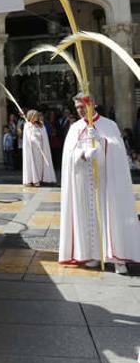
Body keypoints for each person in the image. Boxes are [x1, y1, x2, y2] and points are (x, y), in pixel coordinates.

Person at [59, 93, 140, 272]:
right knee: (88, 218)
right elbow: (68, 156)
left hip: (107, 183)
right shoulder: (75, 128)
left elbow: (119, 150)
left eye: (82, 106)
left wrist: (102, 142)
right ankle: (94, 254)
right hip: (83, 183)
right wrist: (82, 154)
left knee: (112, 216)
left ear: (92, 104)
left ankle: (117, 258)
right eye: (77, 108)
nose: (80, 111)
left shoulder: (109, 125)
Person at [22, 110, 56, 186]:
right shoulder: (27, 125)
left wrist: (40, 141)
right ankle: (33, 180)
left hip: (40, 148)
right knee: (33, 164)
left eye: (37, 116)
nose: (36, 117)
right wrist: (34, 139)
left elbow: (43, 135)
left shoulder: (41, 125)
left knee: (40, 164)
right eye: (34, 116)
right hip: (32, 149)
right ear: (30, 116)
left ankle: (40, 178)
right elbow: (28, 136)